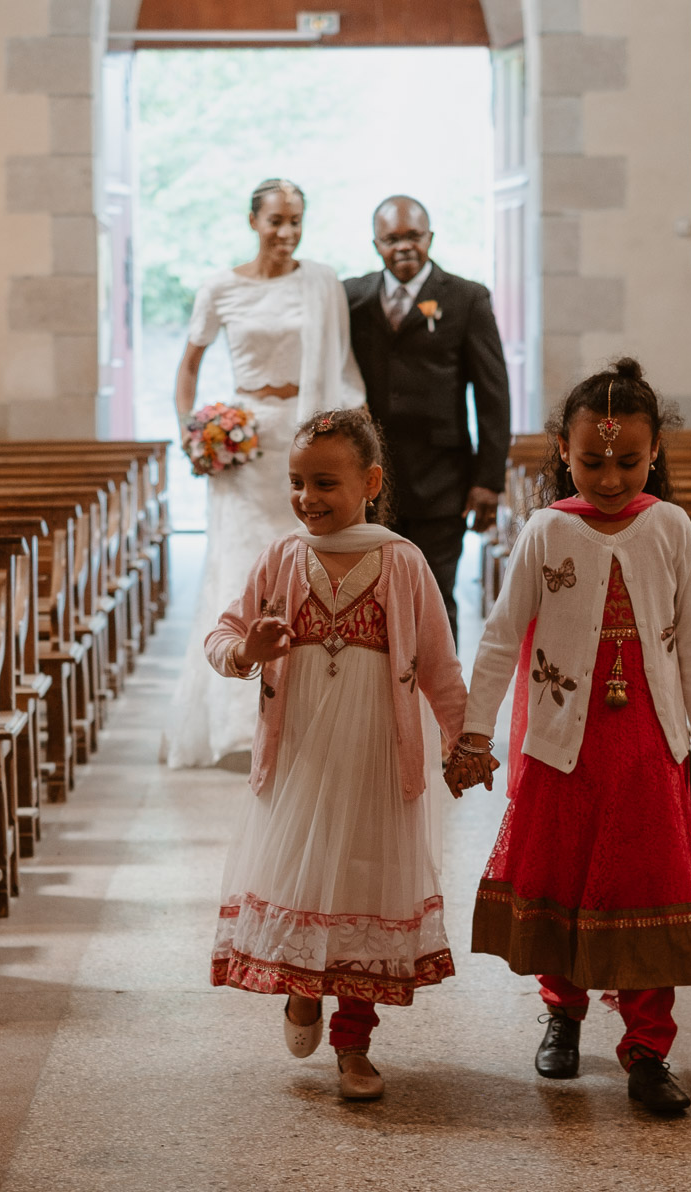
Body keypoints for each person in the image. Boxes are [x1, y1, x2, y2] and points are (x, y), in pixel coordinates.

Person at [451, 358, 691, 1116]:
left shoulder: (670, 526)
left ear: (655, 455)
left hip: (647, 742)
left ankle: (646, 1046)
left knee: (647, 881)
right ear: (564, 454)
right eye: (593, 460)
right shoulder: (547, 530)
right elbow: (502, 638)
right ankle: (563, 1014)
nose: (610, 477)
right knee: (564, 876)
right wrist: (476, 732)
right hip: (562, 746)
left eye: (629, 461)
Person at [205, 409, 466, 1101]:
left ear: (371, 482)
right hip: (301, 758)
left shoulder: (402, 562)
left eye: (325, 482)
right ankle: (300, 990)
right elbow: (224, 633)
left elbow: (439, 664)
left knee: (364, 886)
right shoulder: (283, 557)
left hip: (379, 757)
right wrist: (245, 652)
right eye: (296, 482)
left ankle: (355, 1045)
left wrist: (462, 739)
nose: (306, 498)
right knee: (301, 877)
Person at [165, 178, 366, 770]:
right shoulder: (221, 287)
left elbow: (343, 366)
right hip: (246, 441)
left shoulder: (321, 282)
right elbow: (190, 365)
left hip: (308, 430)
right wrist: (193, 427)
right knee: (243, 565)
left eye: (296, 220)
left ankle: (308, 711)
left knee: (309, 567)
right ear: (253, 220)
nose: (287, 232)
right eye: (276, 220)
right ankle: (235, 722)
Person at [345, 195, 510, 638]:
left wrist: (489, 480)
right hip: (370, 479)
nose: (403, 246)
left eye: (413, 236)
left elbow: (493, 394)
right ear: (376, 243)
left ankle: (440, 706)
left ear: (430, 238)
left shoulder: (466, 298)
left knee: (434, 598)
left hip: (442, 477)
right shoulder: (352, 297)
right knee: (370, 601)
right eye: (392, 238)